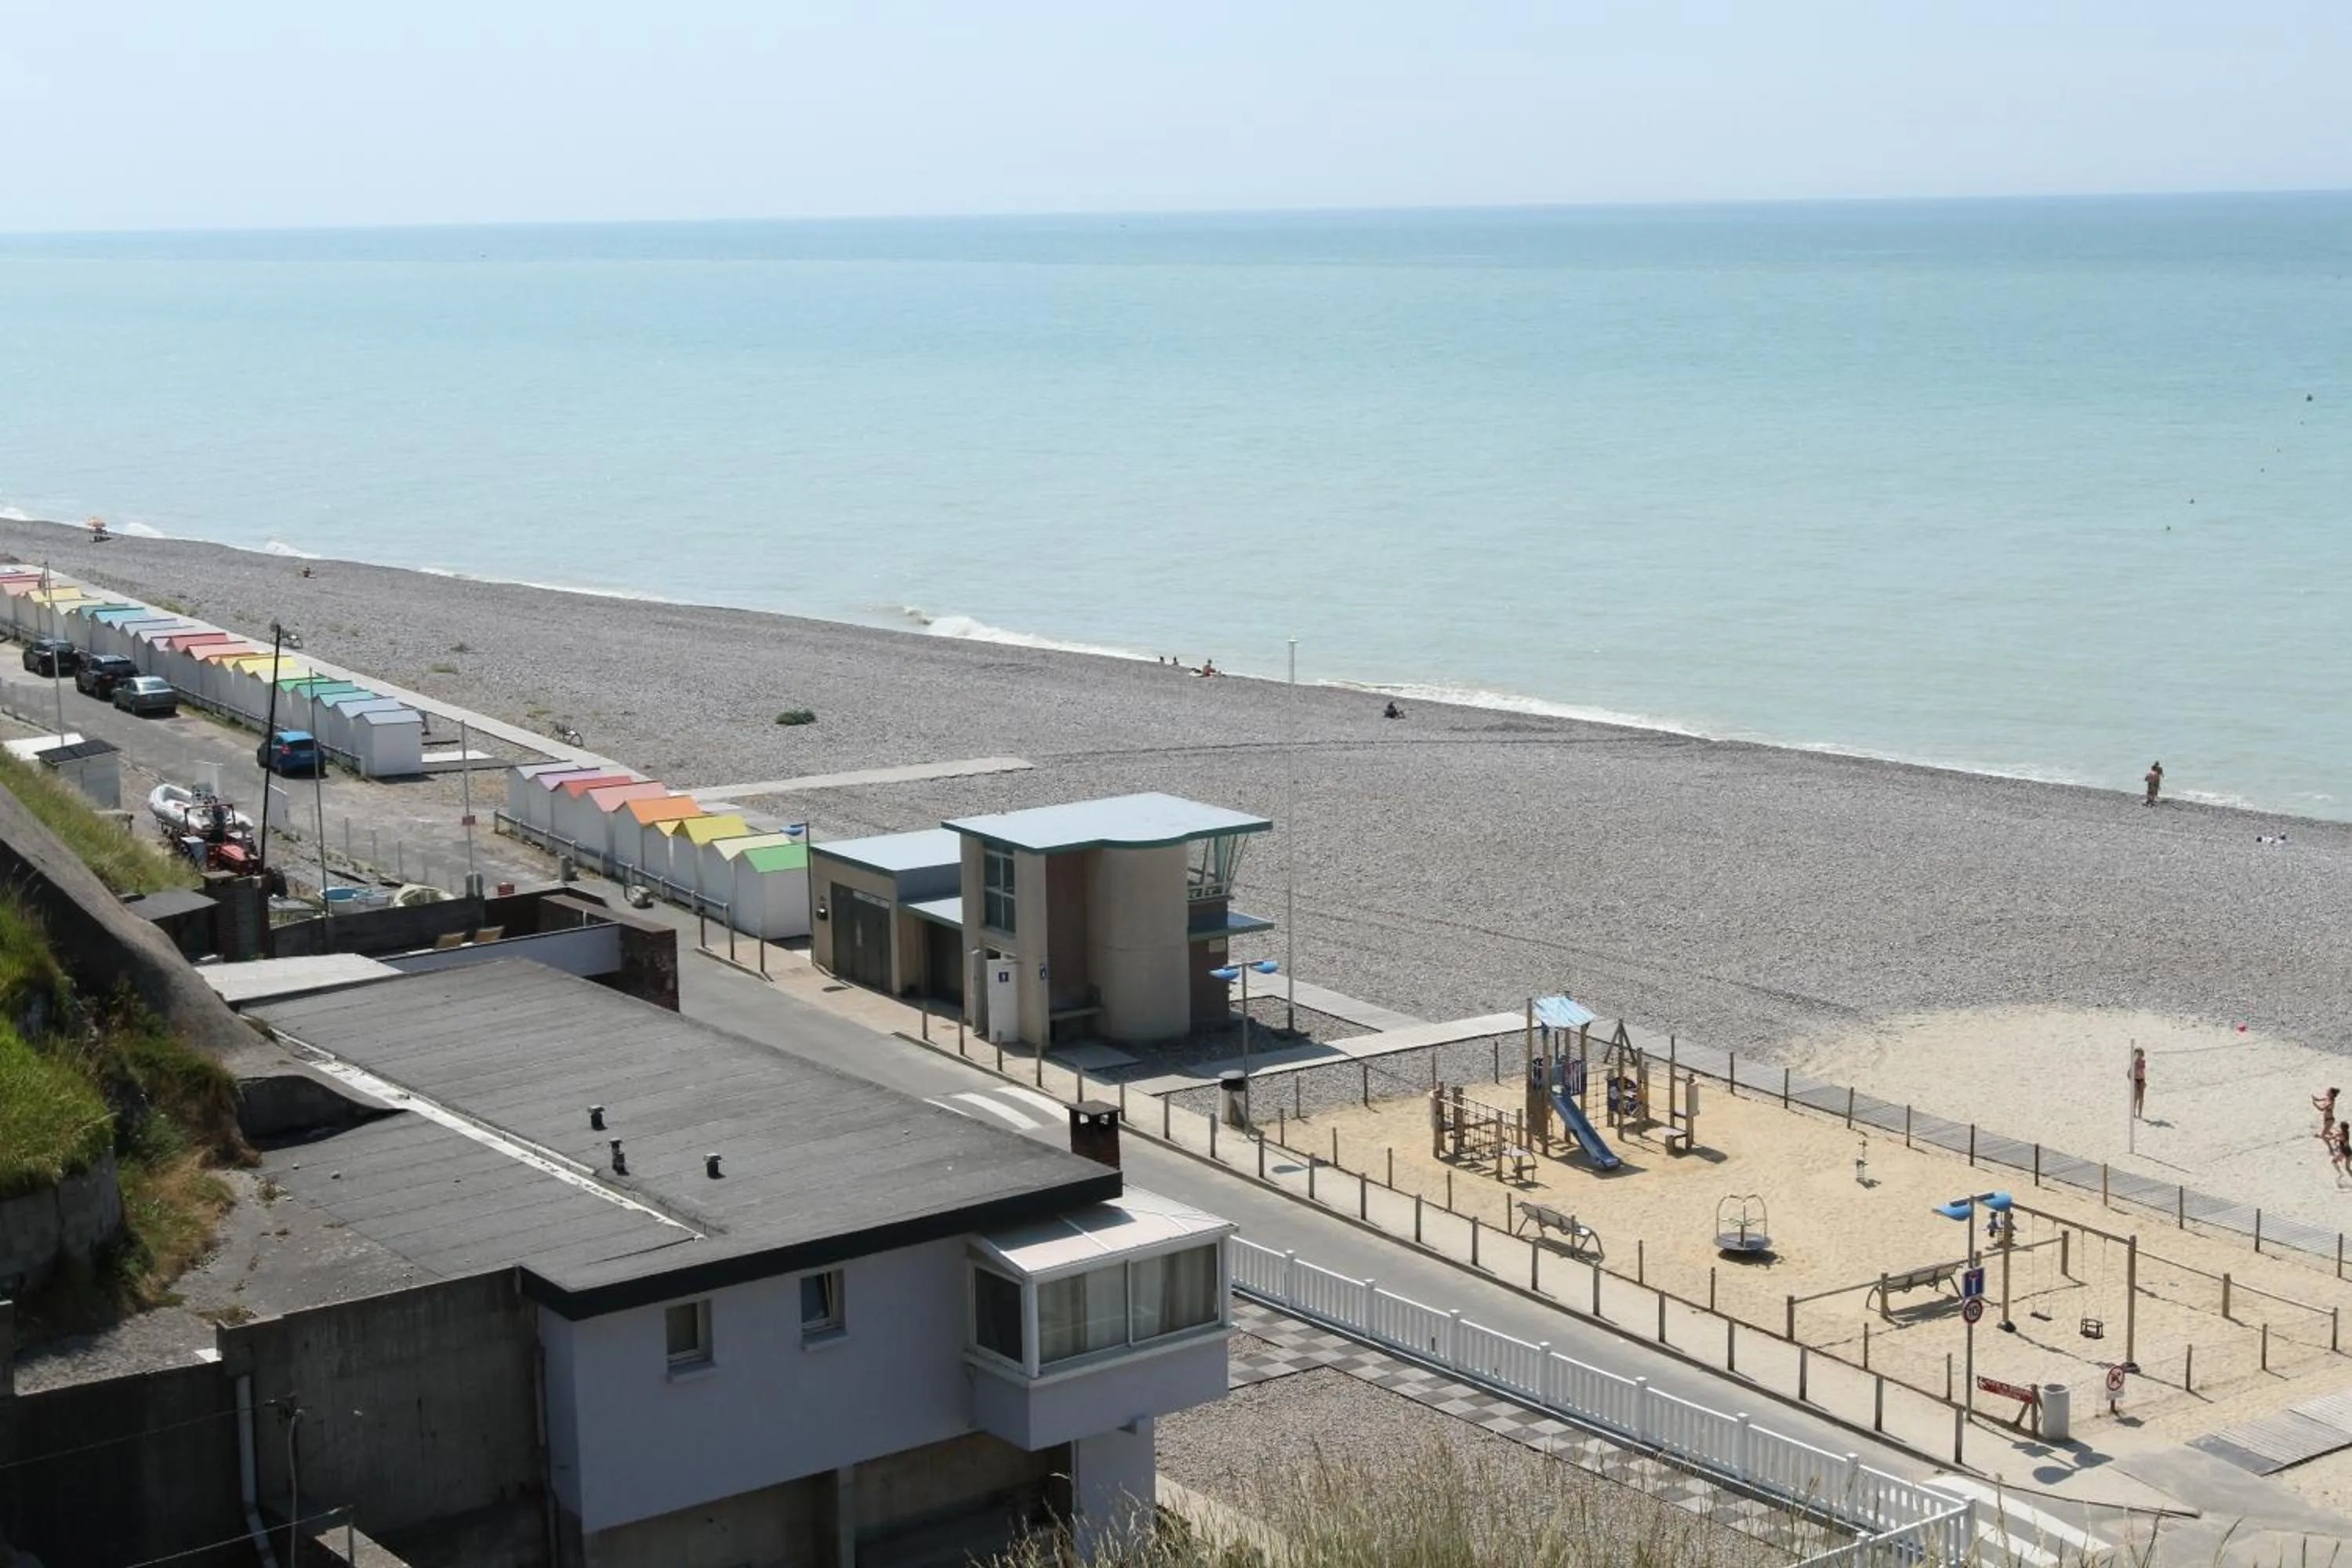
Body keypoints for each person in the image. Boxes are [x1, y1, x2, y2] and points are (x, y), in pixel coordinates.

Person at [2129, 1045, 2147, 1120]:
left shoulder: (2143, 1061)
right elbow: (2129, 1072)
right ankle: (2133, 1113)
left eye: (2139, 1054)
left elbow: (2143, 1072)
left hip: (2141, 1080)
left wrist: (2145, 1081)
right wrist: (2132, 1081)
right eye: (2137, 1054)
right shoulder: (2134, 1062)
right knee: (2135, 1097)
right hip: (2135, 1080)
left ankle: (2140, 1114)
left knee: (2141, 1098)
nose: (2138, 1055)